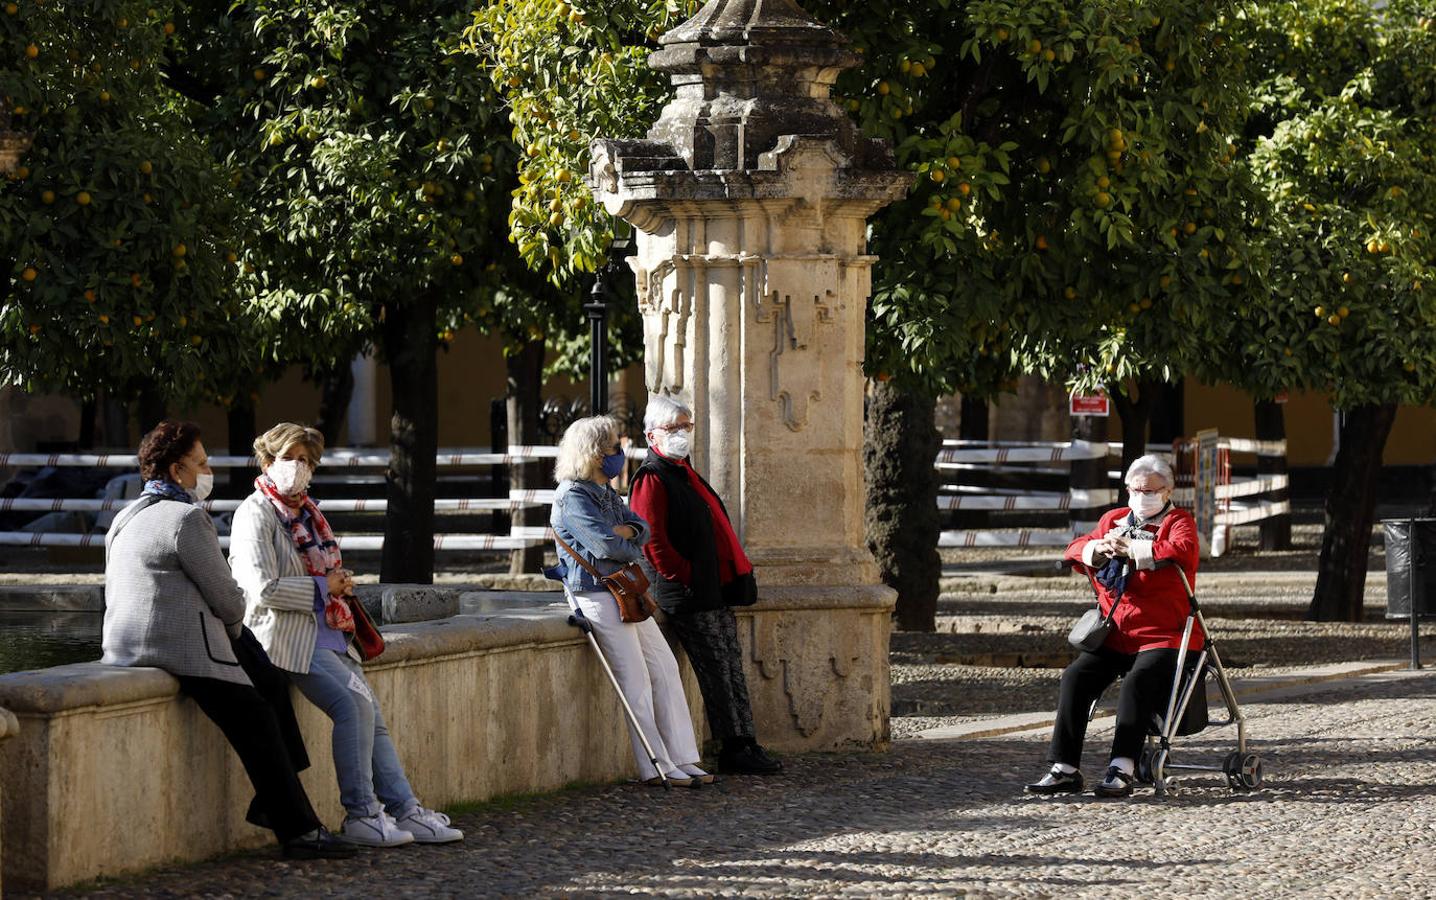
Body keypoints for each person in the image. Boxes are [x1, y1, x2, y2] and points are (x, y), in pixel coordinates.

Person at [101, 420, 353, 860]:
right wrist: (235, 632)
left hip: (125, 644)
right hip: (178, 646)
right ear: (178, 470)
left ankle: (272, 803)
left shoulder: (126, 516)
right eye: (201, 463)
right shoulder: (185, 519)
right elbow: (230, 602)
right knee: (256, 715)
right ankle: (298, 829)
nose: (207, 469)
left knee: (271, 681)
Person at [228, 422, 462, 847]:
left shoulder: (307, 512)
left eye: (308, 461)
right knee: (353, 707)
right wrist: (324, 587)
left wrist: (335, 583)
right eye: (292, 458)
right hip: (288, 638)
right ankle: (361, 814)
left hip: (331, 635)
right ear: (267, 461)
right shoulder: (255, 513)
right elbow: (259, 589)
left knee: (373, 719)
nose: (300, 468)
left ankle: (405, 809)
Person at [1026, 453, 1201, 799]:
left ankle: (1123, 767)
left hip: (1164, 634)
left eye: (1151, 491)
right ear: (1127, 490)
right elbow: (1075, 548)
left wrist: (1133, 548)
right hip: (1117, 633)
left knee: (1137, 682)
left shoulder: (1179, 521)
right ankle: (1065, 768)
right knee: (1075, 677)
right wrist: (1097, 547)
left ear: (1168, 492)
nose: (1142, 496)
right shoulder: (1114, 518)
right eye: (1136, 490)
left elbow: (1181, 551)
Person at [548, 415, 710, 787]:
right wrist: (625, 538)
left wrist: (626, 534)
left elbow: (641, 528)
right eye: (612, 449)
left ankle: (683, 757)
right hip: (596, 594)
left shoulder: (604, 493)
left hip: (624, 590)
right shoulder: (572, 496)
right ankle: (656, 765)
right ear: (592, 453)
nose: (618, 455)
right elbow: (605, 546)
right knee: (635, 680)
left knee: (665, 668)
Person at [627, 395, 783, 776]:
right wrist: (688, 576)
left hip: (709, 588)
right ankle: (733, 747)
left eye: (686, 425)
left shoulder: (683, 471)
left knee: (730, 665)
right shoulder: (652, 478)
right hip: (687, 593)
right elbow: (653, 542)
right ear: (652, 435)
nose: (682, 433)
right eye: (673, 427)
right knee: (715, 669)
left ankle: (746, 741)